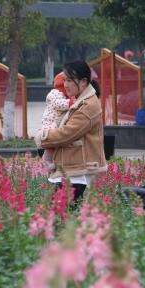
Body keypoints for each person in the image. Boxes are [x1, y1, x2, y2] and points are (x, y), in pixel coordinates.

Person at [34, 60, 107, 206]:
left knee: (57, 215)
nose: (65, 85)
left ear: (83, 82)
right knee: (59, 216)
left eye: (69, 80)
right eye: (64, 80)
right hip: (70, 169)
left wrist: (42, 137)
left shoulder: (88, 105)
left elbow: (67, 134)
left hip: (77, 172)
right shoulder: (80, 101)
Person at [39, 71, 75, 171]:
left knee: (56, 144)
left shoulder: (64, 95)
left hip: (56, 124)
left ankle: (51, 162)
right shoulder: (54, 93)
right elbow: (58, 104)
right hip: (49, 124)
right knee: (51, 145)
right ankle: (46, 162)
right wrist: (71, 102)